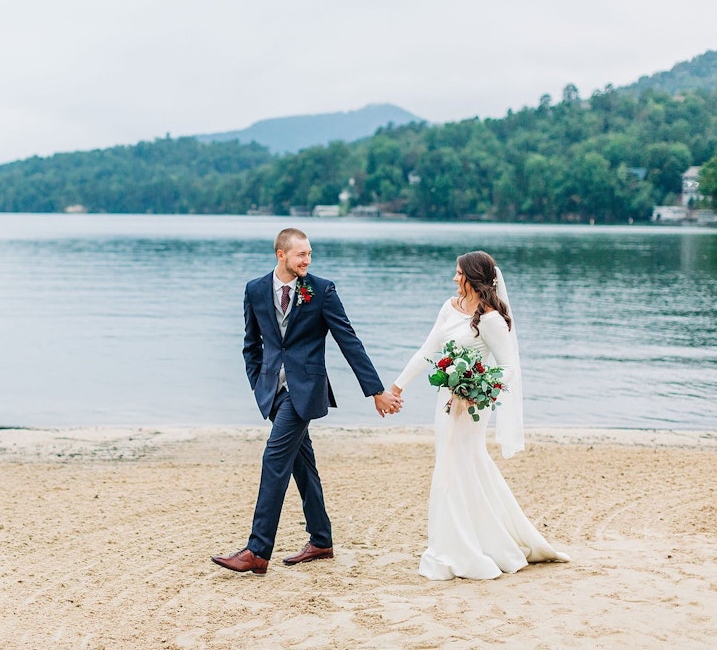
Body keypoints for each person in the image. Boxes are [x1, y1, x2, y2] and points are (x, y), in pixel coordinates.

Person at [212, 228, 402, 575]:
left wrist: (376, 391)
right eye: (301, 254)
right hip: (273, 391)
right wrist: (259, 384)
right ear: (281, 255)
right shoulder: (255, 289)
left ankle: (258, 551)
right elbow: (251, 345)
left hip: (306, 389)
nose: (307, 260)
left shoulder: (322, 290)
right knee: (302, 463)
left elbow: (349, 341)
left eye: (310, 254)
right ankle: (321, 539)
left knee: (274, 459)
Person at [390, 251, 570, 580]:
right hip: (447, 399)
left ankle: (460, 547)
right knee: (457, 464)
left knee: (456, 466)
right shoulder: (449, 307)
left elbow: (509, 367)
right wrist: (397, 387)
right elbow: (427, 351)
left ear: (474, 278)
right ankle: (476, 538)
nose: (454, 278)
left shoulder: (491, 320)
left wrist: (477, 390)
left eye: (459, 274)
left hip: (474, 404)